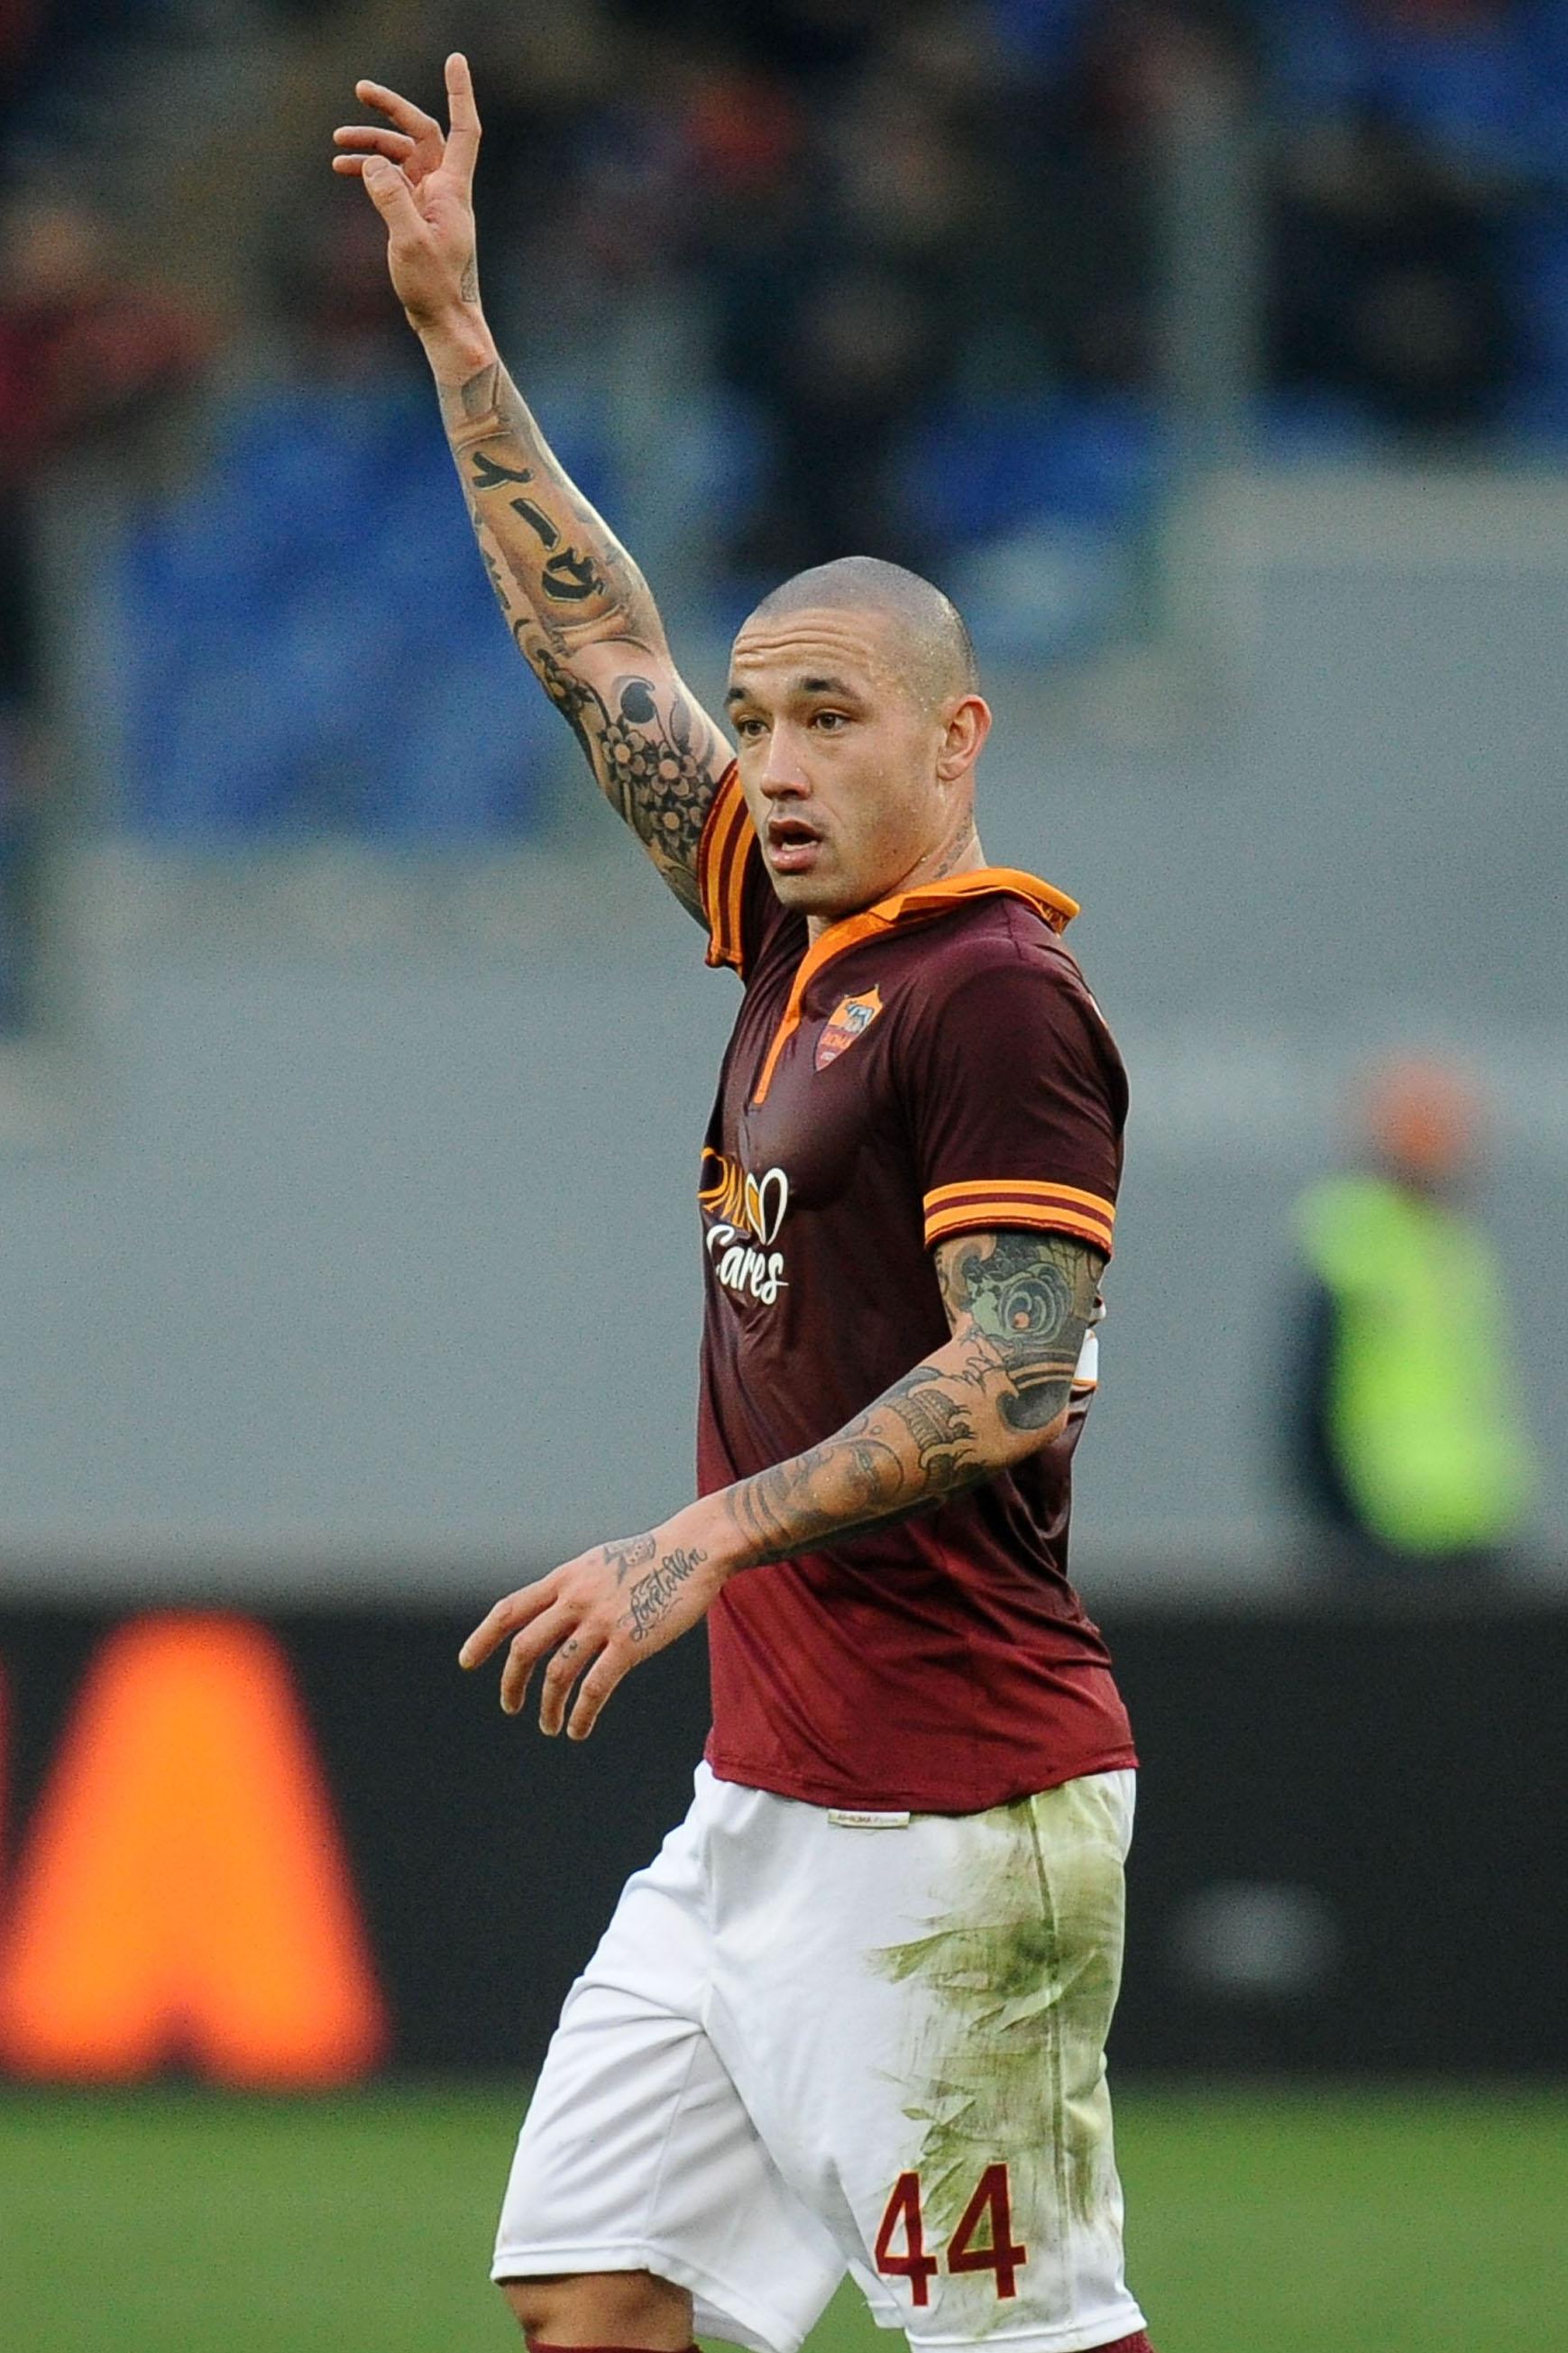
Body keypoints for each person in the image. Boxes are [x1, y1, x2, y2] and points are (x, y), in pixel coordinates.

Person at [335, 55, 1154, 2353]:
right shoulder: (800, 941)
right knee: (589, 2296)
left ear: (954, 739)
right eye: (760, 717)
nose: (773, 763)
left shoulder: (995, 999)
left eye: (829, 721)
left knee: (1023, 2335)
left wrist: (694, 1535)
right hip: (759, 1799)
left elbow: (1009, 1374)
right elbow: (596, 647)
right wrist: (456, 326)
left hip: (952, 1814)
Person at [1286, 1053, 1536, 1580]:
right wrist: (1340, 1530)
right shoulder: (1351, 1242)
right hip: (1384, 1527)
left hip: (1473, 1520)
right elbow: (1309, 1398)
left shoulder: (1457, 1244)